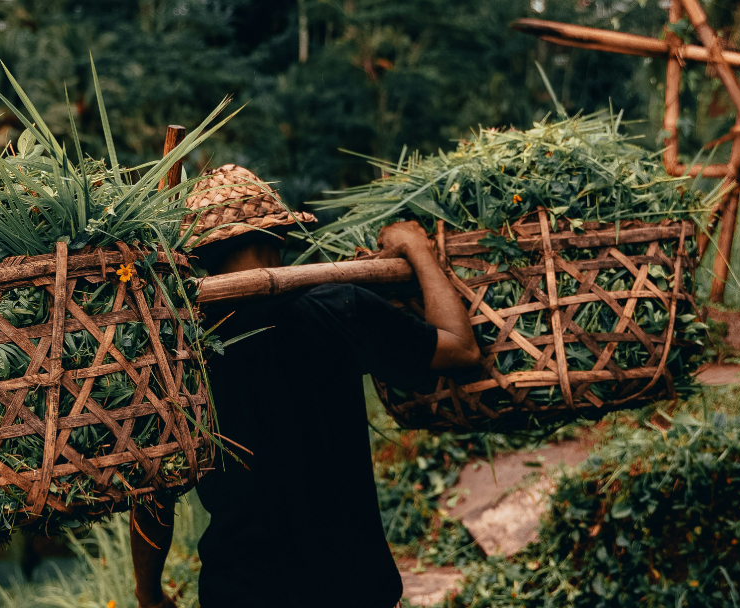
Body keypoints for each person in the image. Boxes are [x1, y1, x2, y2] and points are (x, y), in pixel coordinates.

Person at [130, 165, 480, 608]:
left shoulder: (180, 351)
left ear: (198, 256)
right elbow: (461, 350)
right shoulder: (342, 309)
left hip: (242, 594)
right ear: (279, 238)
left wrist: (149, 595)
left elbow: (153, 490)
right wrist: (418, 249)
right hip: (356, 589)